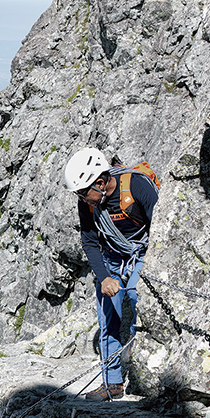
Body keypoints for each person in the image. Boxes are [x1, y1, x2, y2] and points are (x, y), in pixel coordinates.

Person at [64, 148, 159, 401]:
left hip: (143, 252)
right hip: (113, 257)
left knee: (139, 299)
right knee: (108, 320)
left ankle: (147, 376)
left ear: (100, 182)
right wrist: (105, 277)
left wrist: (147, 265)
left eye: (84, 194)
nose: (83, 200)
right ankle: (112, 383)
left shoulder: (137, 186)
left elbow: (160, 227)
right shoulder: (90, 201)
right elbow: (89, 241)